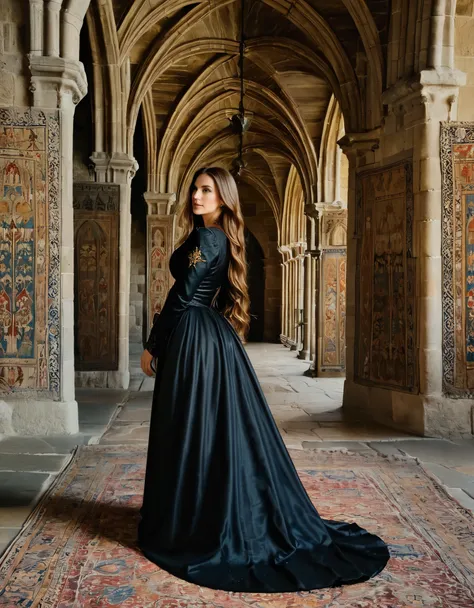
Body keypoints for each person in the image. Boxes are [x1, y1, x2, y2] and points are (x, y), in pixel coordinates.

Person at [138, 167, 390, 593]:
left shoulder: (209, 238)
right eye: (195, 189)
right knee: (201, 427)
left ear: (224, 199)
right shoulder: (214, 237)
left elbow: (182, 295)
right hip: (207, 336)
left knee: (189, 424)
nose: (196, 197)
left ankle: (190, 519)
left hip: (193, 338)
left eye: (206, 191)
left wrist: (153, 343)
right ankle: (194, 511)